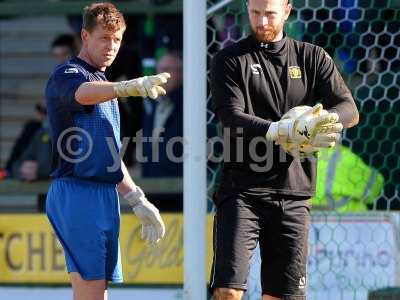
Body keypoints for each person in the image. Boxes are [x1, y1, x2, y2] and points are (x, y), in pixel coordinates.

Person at [209, 0, 359, 300]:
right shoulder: (229, 59)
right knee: (228, 291)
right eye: (255, 13)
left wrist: (321, 122)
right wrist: (279, 130)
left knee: (282, 295)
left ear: (287, 11)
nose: (262, 21)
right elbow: (231, 116)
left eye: (270, 14)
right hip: (242, 192)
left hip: (294, 192)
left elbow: (349, 110)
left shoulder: (312, 57)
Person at [44, 3, 170, 300]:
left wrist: (136, 198)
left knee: (98, 293)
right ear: (85, 36)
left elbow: (108, 155)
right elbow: (81, 94)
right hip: (76, 192)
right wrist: (126, 87)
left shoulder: (106, 85)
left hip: (103, 195)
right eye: (104, 38)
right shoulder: (68, 73)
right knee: (91, 293)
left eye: (117, 39)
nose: (111, 46)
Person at [142, 51, 183, 177]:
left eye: (166, 70)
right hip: (153, 181)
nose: (161, 76)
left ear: (180, 73)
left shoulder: (189, 105)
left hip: (179, 184)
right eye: (159, 70)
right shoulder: (154, 104)